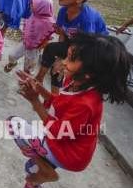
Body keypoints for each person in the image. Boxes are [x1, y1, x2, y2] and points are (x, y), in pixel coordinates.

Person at [8, 33, 132, 188]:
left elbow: (60, 132)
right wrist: (39, 87)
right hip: (66, 143)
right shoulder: (75, 80)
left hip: (70, 154)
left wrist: (35, 102)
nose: (64, 62)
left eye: (71, 59)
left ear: (89, 73)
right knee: (31, 170)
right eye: (66, 56)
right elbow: (60, 101)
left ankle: (46, 171)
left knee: (13, 123)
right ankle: (41, 174)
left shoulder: (86, 103)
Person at [34, 0, 108, 93]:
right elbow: (62, 34)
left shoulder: (87, 19)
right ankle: (41, 81)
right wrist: (59, 57)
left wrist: (65, 60)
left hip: (93, 50)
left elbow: (87, 47)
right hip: (74, 44)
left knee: (65, 70)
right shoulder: (63, 11)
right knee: (52, 51)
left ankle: (59, 93)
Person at [4, 0, 55, 74]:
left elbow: (48, 37)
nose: (30, 6)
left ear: (42, 7)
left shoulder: (49, 23)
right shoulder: (34, 15)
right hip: (25, 42)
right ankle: (13, 63)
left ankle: (25, 81)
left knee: (28, 68)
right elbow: (27, 25)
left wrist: (40, 47)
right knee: (12, 55)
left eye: (32, 4)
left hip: (34, 49)